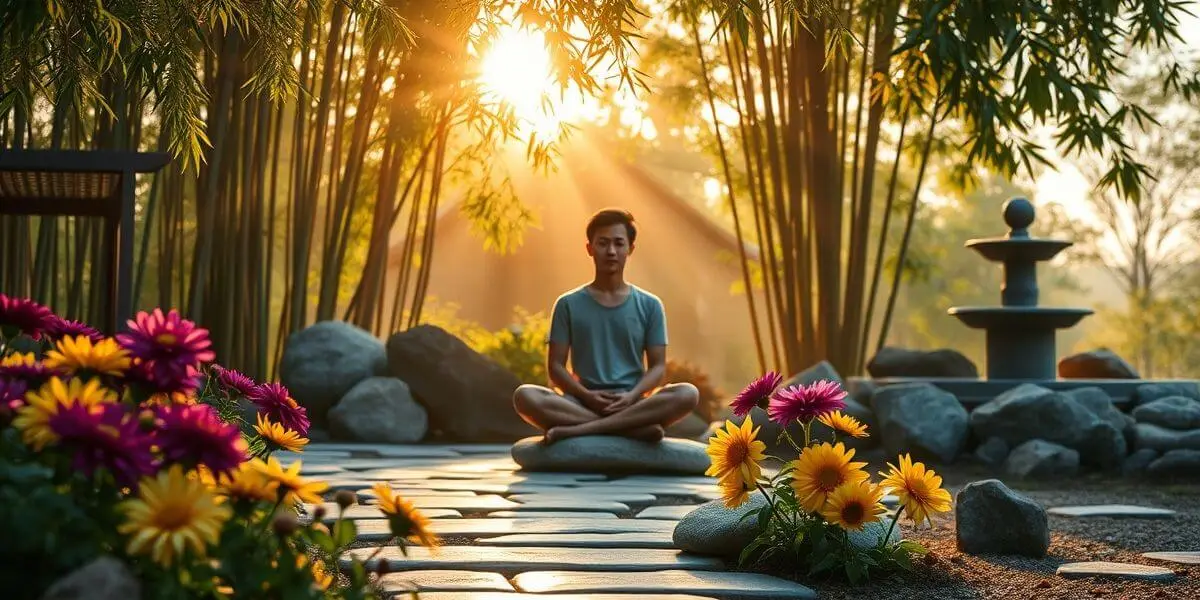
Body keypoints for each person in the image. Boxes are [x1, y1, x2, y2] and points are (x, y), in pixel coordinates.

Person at [512, 208, 699, 444]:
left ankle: (579, 429)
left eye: (619, 243)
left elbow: (658, 367)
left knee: (687, 393)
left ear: (630, 249)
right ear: (589, 248)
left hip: (632, 401)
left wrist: (631, 397)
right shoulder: (567, 304)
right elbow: (556, 368)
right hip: (580, 401)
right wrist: (588, 397)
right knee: (525, 396)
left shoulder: (650, 305)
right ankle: (630, 429)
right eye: (603, 243)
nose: (611, 251)